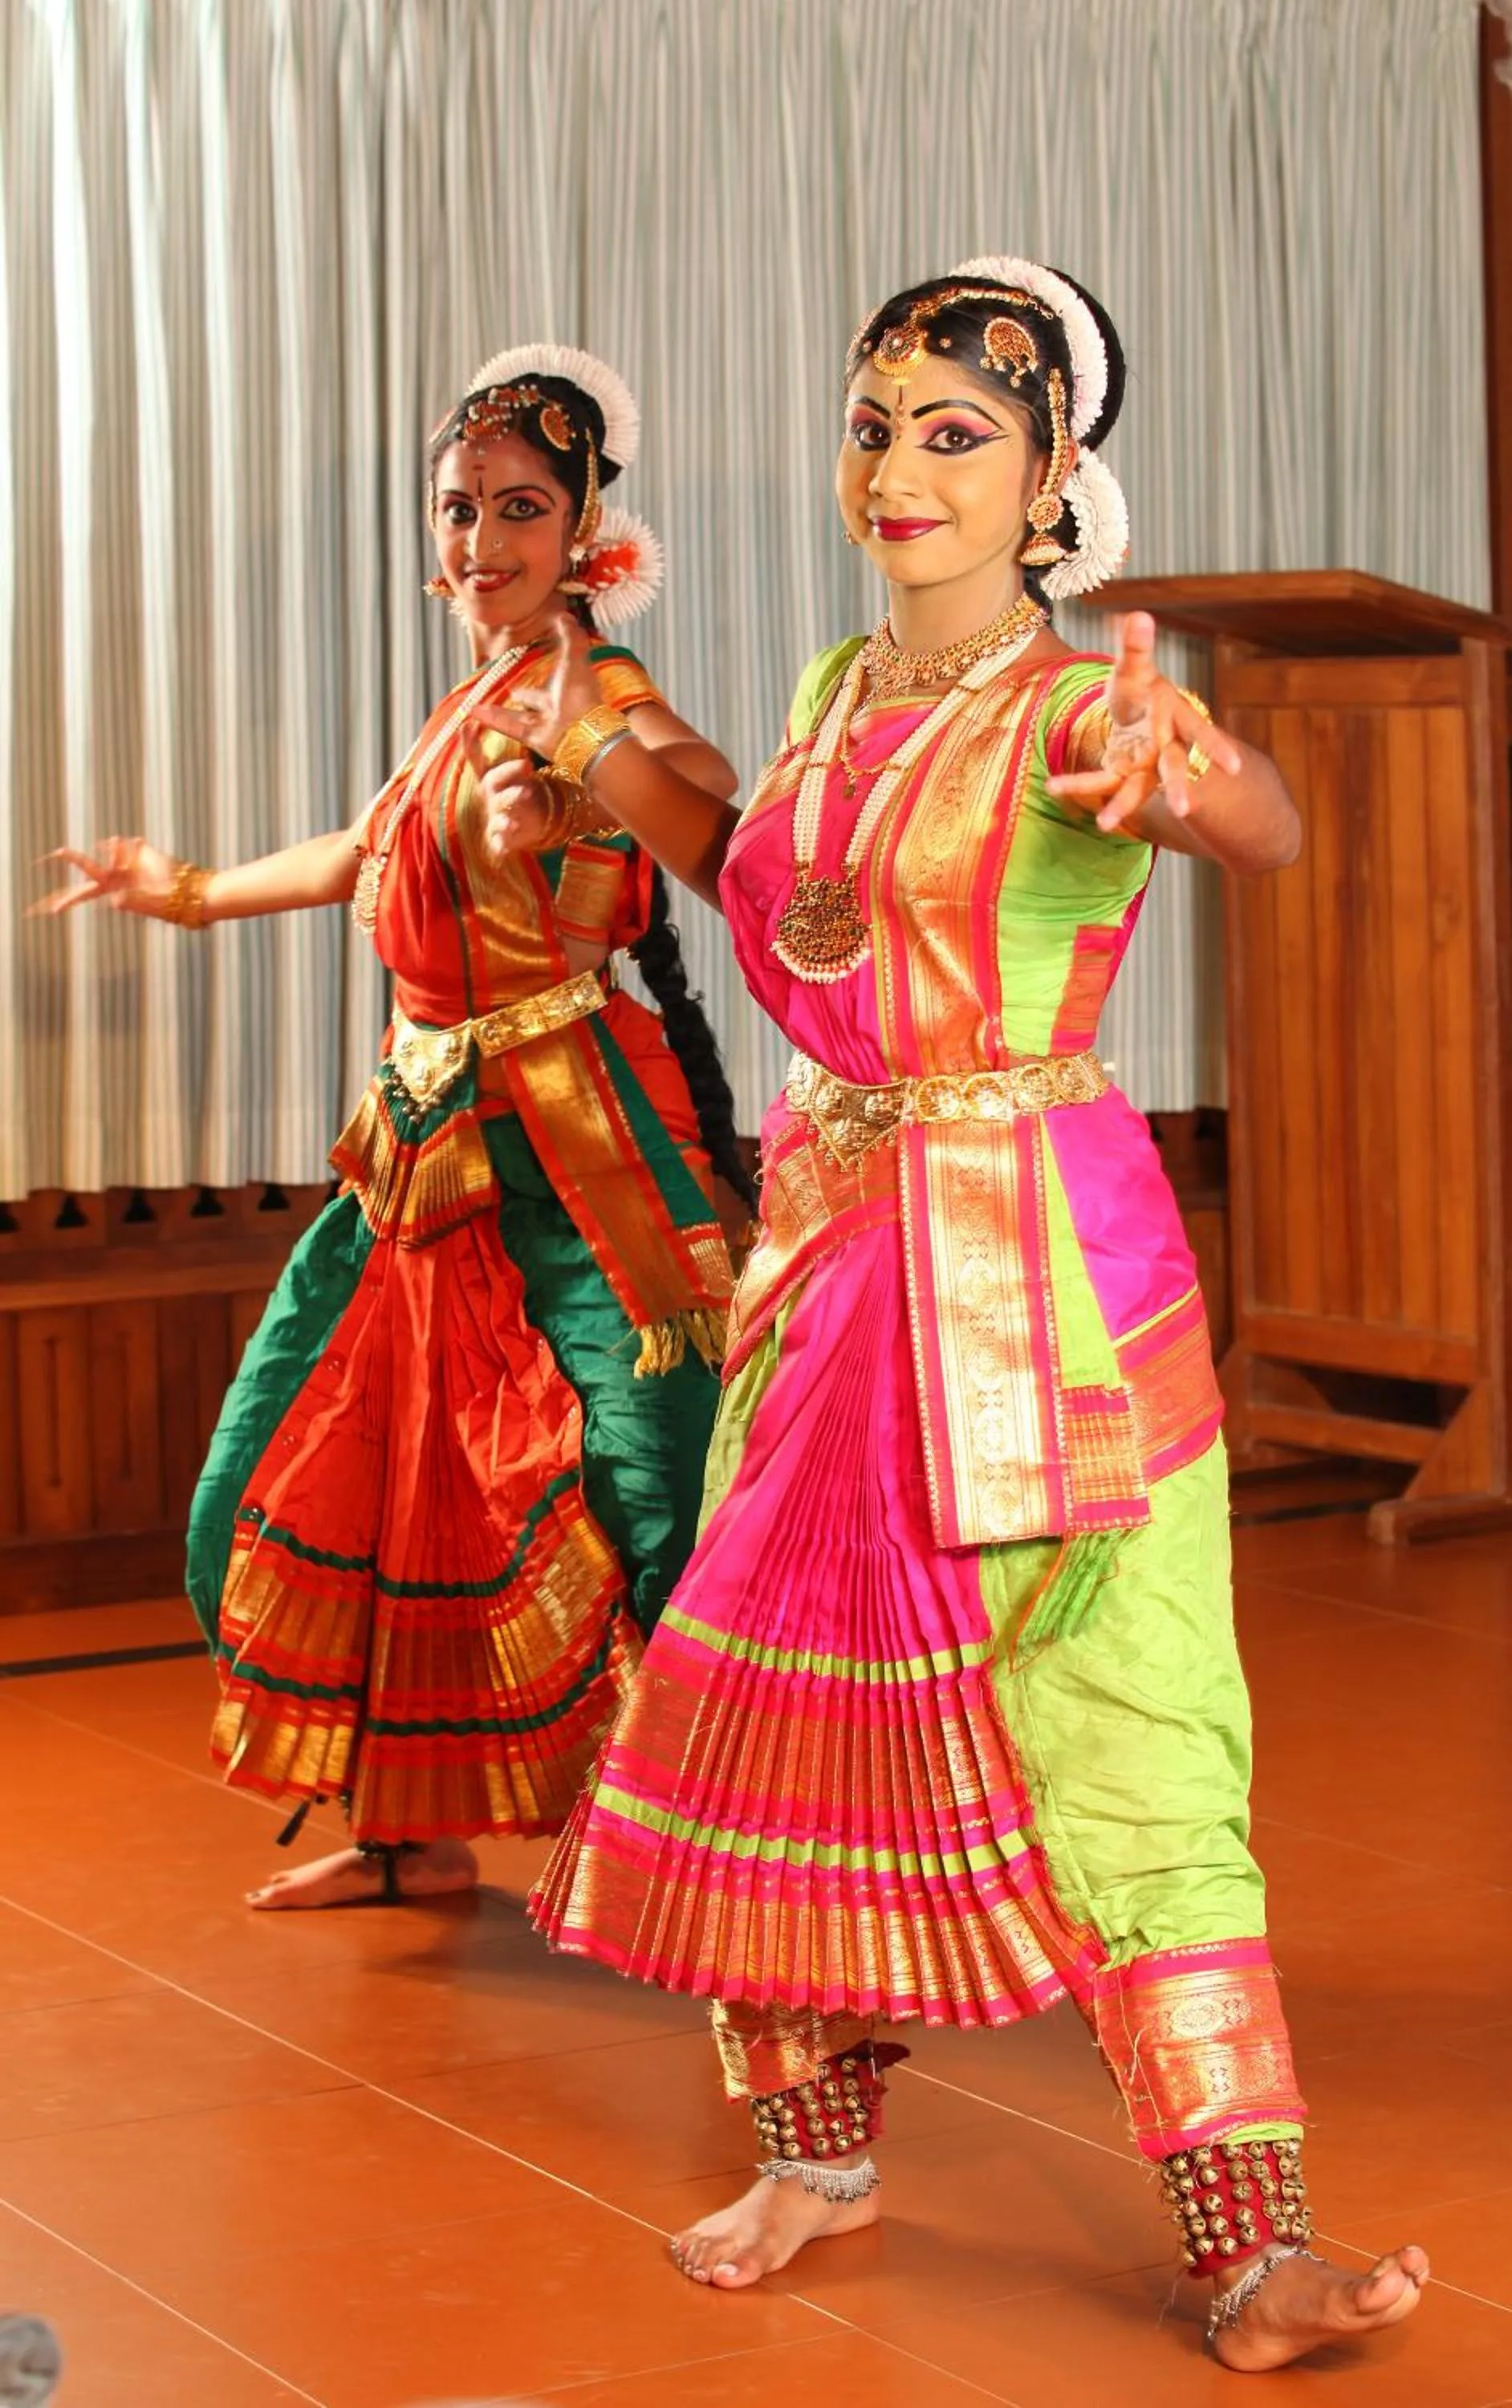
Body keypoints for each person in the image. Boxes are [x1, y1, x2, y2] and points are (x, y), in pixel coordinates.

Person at [505, 266, 1428, 2370]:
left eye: (954, 435)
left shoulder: (1086, 710)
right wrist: (611, 763)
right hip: (825, 1273)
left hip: (1039, 1299)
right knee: (782, 1711)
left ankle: (1244, 2243)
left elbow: (1251, 821)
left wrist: (1199, 785)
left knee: (1129, 1737)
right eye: (873, 424)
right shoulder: (837, 690)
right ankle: (814, 2156)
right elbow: (772, 888)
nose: (898, 467)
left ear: (1048, 486)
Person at [36, 343, 752, 1911]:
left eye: (518, 508)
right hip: (420, 1139)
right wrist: (190, 893)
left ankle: (714, 1844)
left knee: (646, 1479)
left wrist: (581, 797)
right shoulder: (470, 697)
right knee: (322, 1463)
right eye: (457, 509)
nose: (480, 540)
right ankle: (407, 1828)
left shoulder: (590, 690)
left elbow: (702, 783)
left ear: (587, 536)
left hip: (563, 1145)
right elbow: (366, 849)